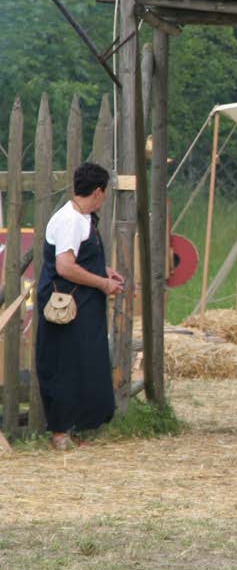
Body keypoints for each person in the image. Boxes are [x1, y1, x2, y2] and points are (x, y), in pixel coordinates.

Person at [35, 163, 124, 451]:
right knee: (66, 366)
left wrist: (103, 269)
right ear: (98, 192)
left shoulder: (82, 218)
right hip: (67, 306)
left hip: (82, 307)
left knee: (82, 364)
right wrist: (101, 283)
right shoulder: (71, 220)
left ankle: (72, 429)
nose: (105, 197)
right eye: (105, 192)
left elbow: (79, 258)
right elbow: (65, 266)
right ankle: (60, 434)